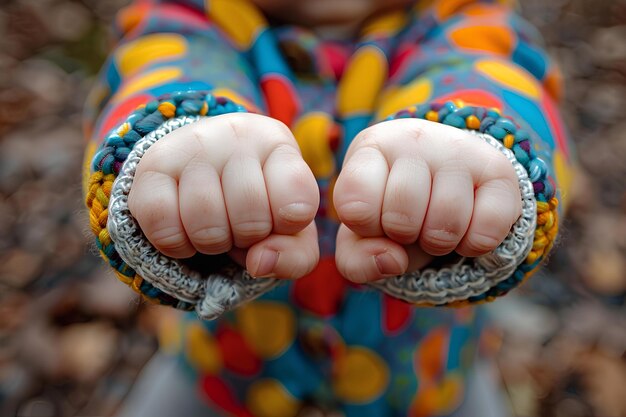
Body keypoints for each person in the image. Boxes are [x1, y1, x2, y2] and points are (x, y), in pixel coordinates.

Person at [84, 0, 573, 415]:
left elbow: (491, 71)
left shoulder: (461, 17)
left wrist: (471, 144)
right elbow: (160, 70)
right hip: (224, 372)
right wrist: (177, 141)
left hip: (430, 378)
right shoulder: (188, 17)